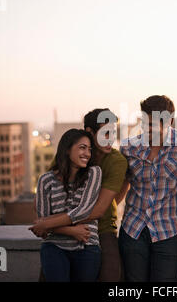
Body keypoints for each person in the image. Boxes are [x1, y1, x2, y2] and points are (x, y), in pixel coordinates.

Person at [40, 109, 128, 282]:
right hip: (62, 225)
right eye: (105, 133)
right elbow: (46, 192)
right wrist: (64, 228)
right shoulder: (68, 154)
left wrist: (49, 224)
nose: (110, 138)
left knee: (111, 274)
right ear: (90, 132)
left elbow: (98, 210)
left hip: (102, 228)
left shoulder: (116, 161)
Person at [118, 95, 177, 282]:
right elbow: (122, 186)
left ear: (169, 120)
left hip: (168, 230)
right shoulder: (129, 147)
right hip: (133, 228)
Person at [29, 129, 102, 282]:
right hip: (54, 246)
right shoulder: (45, 180)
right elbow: (43, 226)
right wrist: (72, 231)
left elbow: (84, 211)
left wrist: (47, 223)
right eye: (82, 147)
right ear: (67, 149)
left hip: (87, 244)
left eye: (89, 149)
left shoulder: (93, 173)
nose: (87, 153)